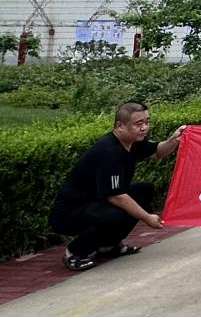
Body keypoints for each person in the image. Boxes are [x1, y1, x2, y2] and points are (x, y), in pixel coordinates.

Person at [49, 102, 185, 272]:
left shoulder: (133, 142)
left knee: (145, 190)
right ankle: (74, 252)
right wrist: (147, 217)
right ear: (120, 126)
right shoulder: (109, 151)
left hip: (97, 201)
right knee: (113, 215)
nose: (144, 128)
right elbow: (116, 196)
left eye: (147, 122)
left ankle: (108, 246)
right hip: (69, 212)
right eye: (138, 124)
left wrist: (174, 139)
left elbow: (158, 151)